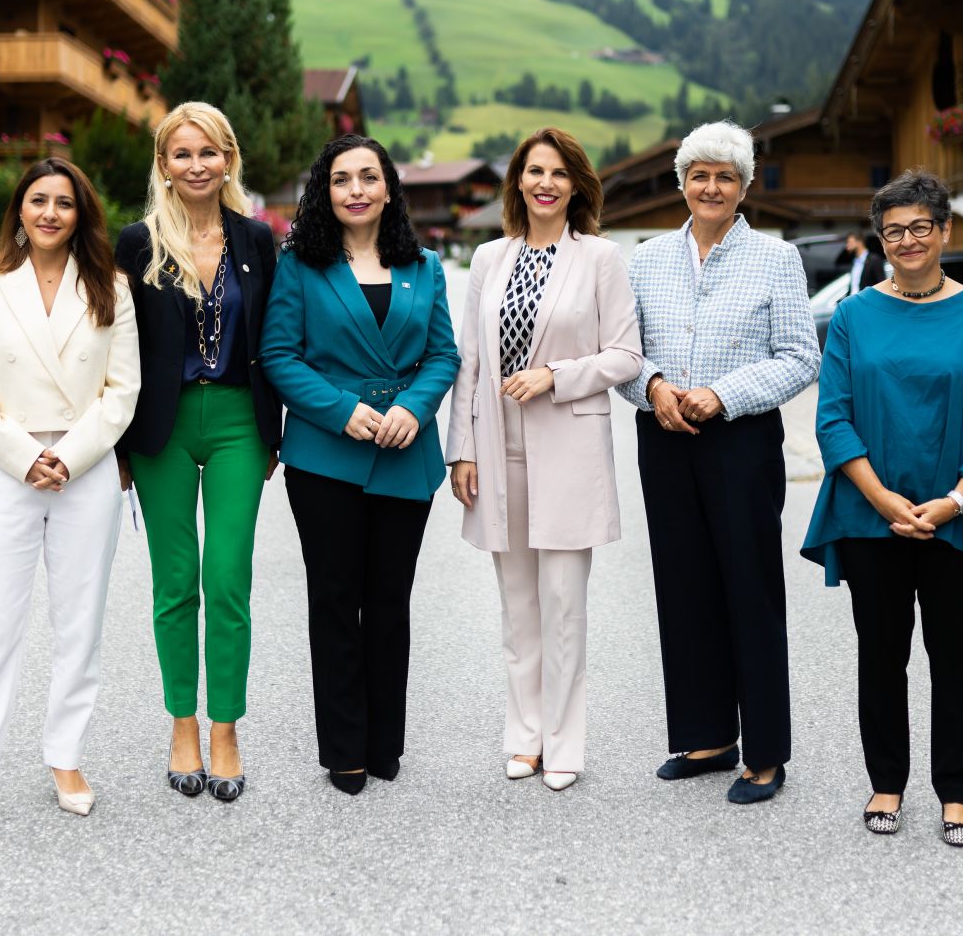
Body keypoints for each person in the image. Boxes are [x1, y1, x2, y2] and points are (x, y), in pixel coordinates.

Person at [800, 168, 963, 848]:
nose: (907, 240)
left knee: (957, 659)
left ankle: (957, 794)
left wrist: (955, 500)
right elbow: (832, 417)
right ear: (880, 239)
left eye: (920, 226)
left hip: (957, 519)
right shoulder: (854, 316)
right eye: (893, 230)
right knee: (881, 654)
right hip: (873, 518)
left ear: (944, 230)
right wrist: (879, 496)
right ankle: (886, 783)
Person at [614, 120, 820, 805]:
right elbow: (622, 351)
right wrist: (651, 386)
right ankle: (705, 737)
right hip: (664, 436)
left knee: (749, 590)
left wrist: (723, 394)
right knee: (683, 586)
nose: (711, 186)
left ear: (743, 186)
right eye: (699, 174)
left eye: (725, 176)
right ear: (682, 182)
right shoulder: (645, 259)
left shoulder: (775, 258)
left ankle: (764, 752)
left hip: (740, 442)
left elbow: (800, 357)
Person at [0, 157, 140, 840]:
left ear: (81, 214)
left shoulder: (110, 285)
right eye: (39, 200)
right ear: (20, 210)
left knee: (79, 625)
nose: (51, 212)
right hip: (7, 467)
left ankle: (67, 758)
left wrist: (70, 456)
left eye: (65, 202)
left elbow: (123, 389)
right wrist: (24, 457)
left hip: (85, 468)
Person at [260, 134, 460, 796]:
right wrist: (339, 409)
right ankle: (343, 747)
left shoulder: (424, 266)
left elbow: (443, 354)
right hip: (326, 457)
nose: (356, 190)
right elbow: (280, 354)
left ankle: (383, 743)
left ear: (388, 188)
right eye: (342, 178)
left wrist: (416, 407)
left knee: (390, 602)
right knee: (335, 600)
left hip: (404, 453)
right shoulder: (301, 265)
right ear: (325, 191)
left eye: (368, 177)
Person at [445, 128, 641, 792]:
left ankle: (564, 743)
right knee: (517, 607)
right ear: (518, 182)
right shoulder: (489, 258)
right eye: (534, 171)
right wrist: (461, 450)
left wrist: (556, 375)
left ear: (576, 185)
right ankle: (523, 737)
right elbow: (471, 362)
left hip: (569, 451)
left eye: (558, 173)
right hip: (498, 452)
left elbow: (626, 355)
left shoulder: (600, 258)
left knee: (563, 606)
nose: (545, 183)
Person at [114, 102, 281, 803]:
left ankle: (225, 728)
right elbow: (115, 343)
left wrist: (278, 427)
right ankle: (182, 723)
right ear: (163, 164)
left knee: (228, 577)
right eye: (182, 153)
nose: (196, 165)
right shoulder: (137, 243)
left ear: (228, 159)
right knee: (176, 579)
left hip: (240, 419)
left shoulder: (257, 239)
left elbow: (276, 334)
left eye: (208, 152)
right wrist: (118, 446)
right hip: (164, 425)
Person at [844, 230, 886, 297]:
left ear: (859, 242)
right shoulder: (854, 262)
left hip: (867, 301)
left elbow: (881, 284)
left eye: (849, 242)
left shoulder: (874, 260)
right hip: (853, 301)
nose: (847, 246)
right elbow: (853, 287)